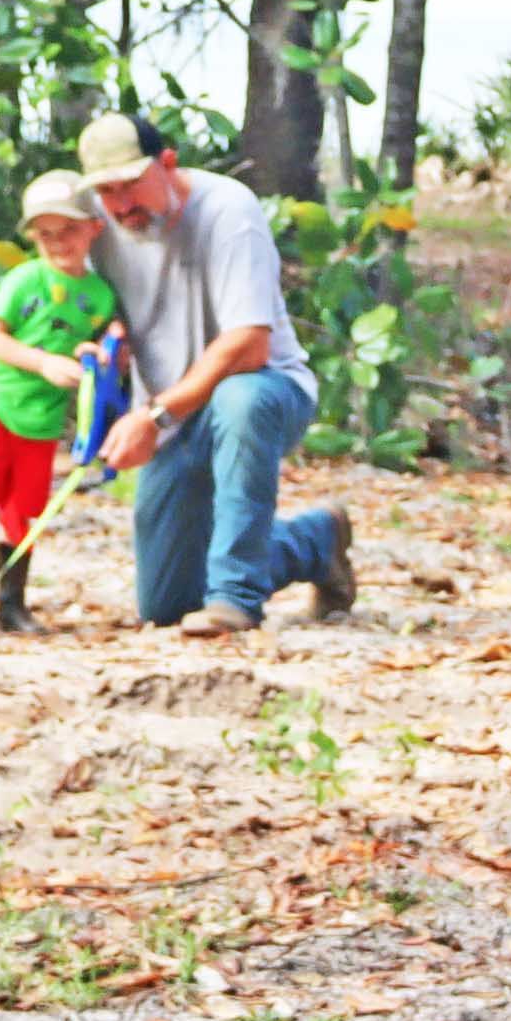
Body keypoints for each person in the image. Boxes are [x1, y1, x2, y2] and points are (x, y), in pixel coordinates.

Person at [76, 111, 358, 637]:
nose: (121, 205)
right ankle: (316, 542)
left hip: (265, 392)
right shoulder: (97, 225)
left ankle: (236, 598)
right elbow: (83, 302)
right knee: (167, 605)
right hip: (175, 418)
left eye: (131, 185)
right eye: (107, 191)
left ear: (167, 164)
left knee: (240, 398)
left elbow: (250, 344)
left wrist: (154, 417)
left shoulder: (228, 209)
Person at [0, 170, 121, 634]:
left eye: (69, 231)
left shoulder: (98, 295)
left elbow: (85, 339)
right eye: (46, 234)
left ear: (93, 229)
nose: (58, 243)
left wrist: (92, 351)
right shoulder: (23, 280)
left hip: (41, 418)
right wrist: (40, 363)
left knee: (25, 508)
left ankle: (11, 603)